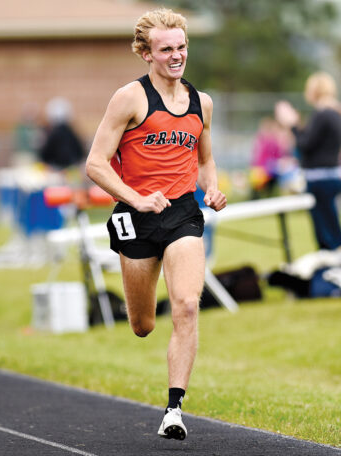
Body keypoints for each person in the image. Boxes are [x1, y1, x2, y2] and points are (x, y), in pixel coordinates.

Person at [85, 8, 226, 440]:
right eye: (167, 49)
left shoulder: (202, 102)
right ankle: (142, 318)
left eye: (182, 47)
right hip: (136, 217)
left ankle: (174, 410)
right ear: (147, 53)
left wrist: (213, 189)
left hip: (183, 213)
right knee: (143, 324)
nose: (177, 56)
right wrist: (137, 199)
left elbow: (203, 158)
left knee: (186, 305)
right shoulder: (129, 98)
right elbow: (95, 163)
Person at [275, 71, 341, 250]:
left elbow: (305, 145)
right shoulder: (334, 113)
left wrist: (292, 124)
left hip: (319, 179)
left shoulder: (323, 114)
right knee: (332, 227)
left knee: (327, 235)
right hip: (331, 175)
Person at [38, 97, 85, 170]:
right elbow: (80, 152)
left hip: (56, 168)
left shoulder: (53, 133)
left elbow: (45, 154)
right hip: (71, 168)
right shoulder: (71, 133)